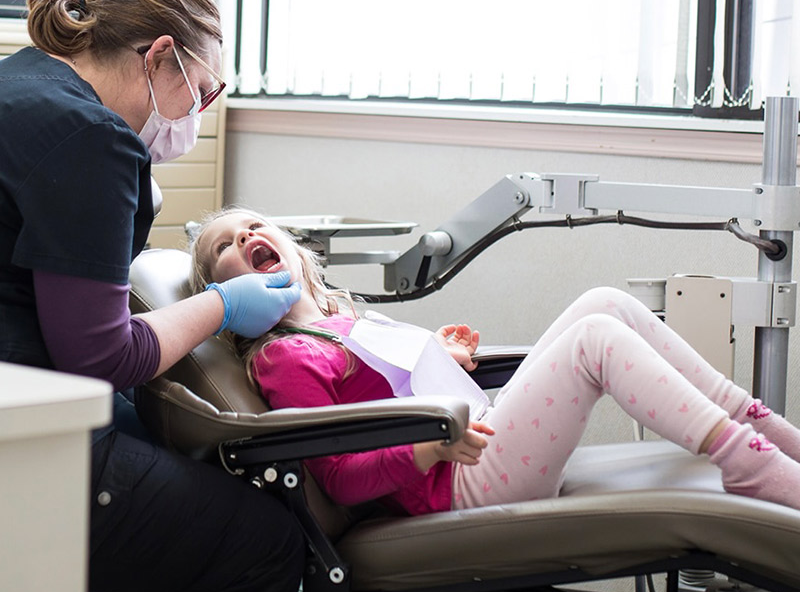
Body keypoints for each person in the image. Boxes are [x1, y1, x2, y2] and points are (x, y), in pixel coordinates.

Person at [0, 0, 304, 592]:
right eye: (197, 92)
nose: (193, 118)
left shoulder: (20, 79)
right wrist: (222, 305)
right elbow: (103, 352)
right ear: (159, 53)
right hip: (19, 434)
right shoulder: (92, 137)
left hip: (23, 390)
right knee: (265, 547)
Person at [191, 207, 800, 517]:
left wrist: (442, 356)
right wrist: (428, 447)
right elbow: (340, 476)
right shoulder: (284, 357)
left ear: (294, 250)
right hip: (456, 479)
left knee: (605, 302)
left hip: (474, 432)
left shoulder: (341, 321)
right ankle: (742, 459)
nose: (244, 238)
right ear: (223, 295)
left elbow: (384, 387)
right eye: (225, 247)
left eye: (252, 228)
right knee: (593, 337)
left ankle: (764, 429)